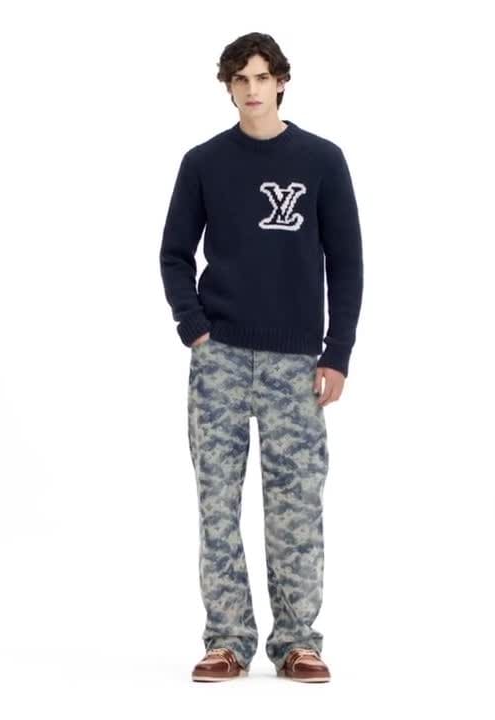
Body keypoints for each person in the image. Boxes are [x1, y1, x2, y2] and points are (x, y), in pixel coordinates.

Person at [159, 32, 363, 683]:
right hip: (219, 360)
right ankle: (227, 640)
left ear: (281, 82)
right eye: (240, 79)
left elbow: (346, 263)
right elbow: (174, 253)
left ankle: (298, 641)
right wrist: (195, 328)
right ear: (228, 86)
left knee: (296, 505)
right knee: (217, 504)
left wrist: (337, 354)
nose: (252, 89)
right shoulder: (203, 163)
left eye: (262, 77)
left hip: (296, 364)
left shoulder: (322, 161)